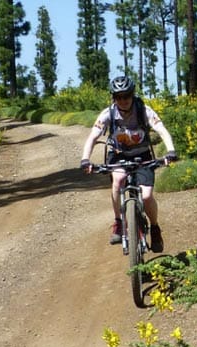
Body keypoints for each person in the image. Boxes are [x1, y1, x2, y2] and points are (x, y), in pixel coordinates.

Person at [80, 76, 177, 253]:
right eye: (119, 97)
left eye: (127, 96)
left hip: (143, 156)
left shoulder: (144, 110)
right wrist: (85, 159)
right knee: (118, 181)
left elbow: (161, 130)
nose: (123, 100)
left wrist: (170, 151)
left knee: (147, 196)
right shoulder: (108, 113)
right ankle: (118, 222)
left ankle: (155, 228)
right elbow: (92, 137)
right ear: (114, 98)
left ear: (132, 95)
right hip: (118, 156)